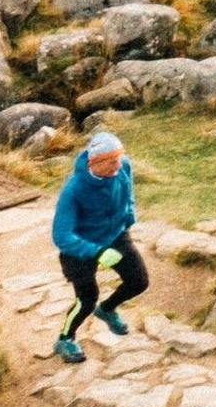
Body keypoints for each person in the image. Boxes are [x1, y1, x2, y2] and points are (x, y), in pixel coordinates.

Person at [51, 129, 145, 364]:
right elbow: (61, 235)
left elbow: (128, 190)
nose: (118, 165)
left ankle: (107, 309)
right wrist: (97, 252)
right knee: (86, 299)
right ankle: (65, 338)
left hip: (115, 234)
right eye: (112, 162)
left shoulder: (123, 165)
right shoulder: (73, 190)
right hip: (79, 249)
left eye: (119, 158)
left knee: (139, 282)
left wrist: (129, 213)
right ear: (95, 162)